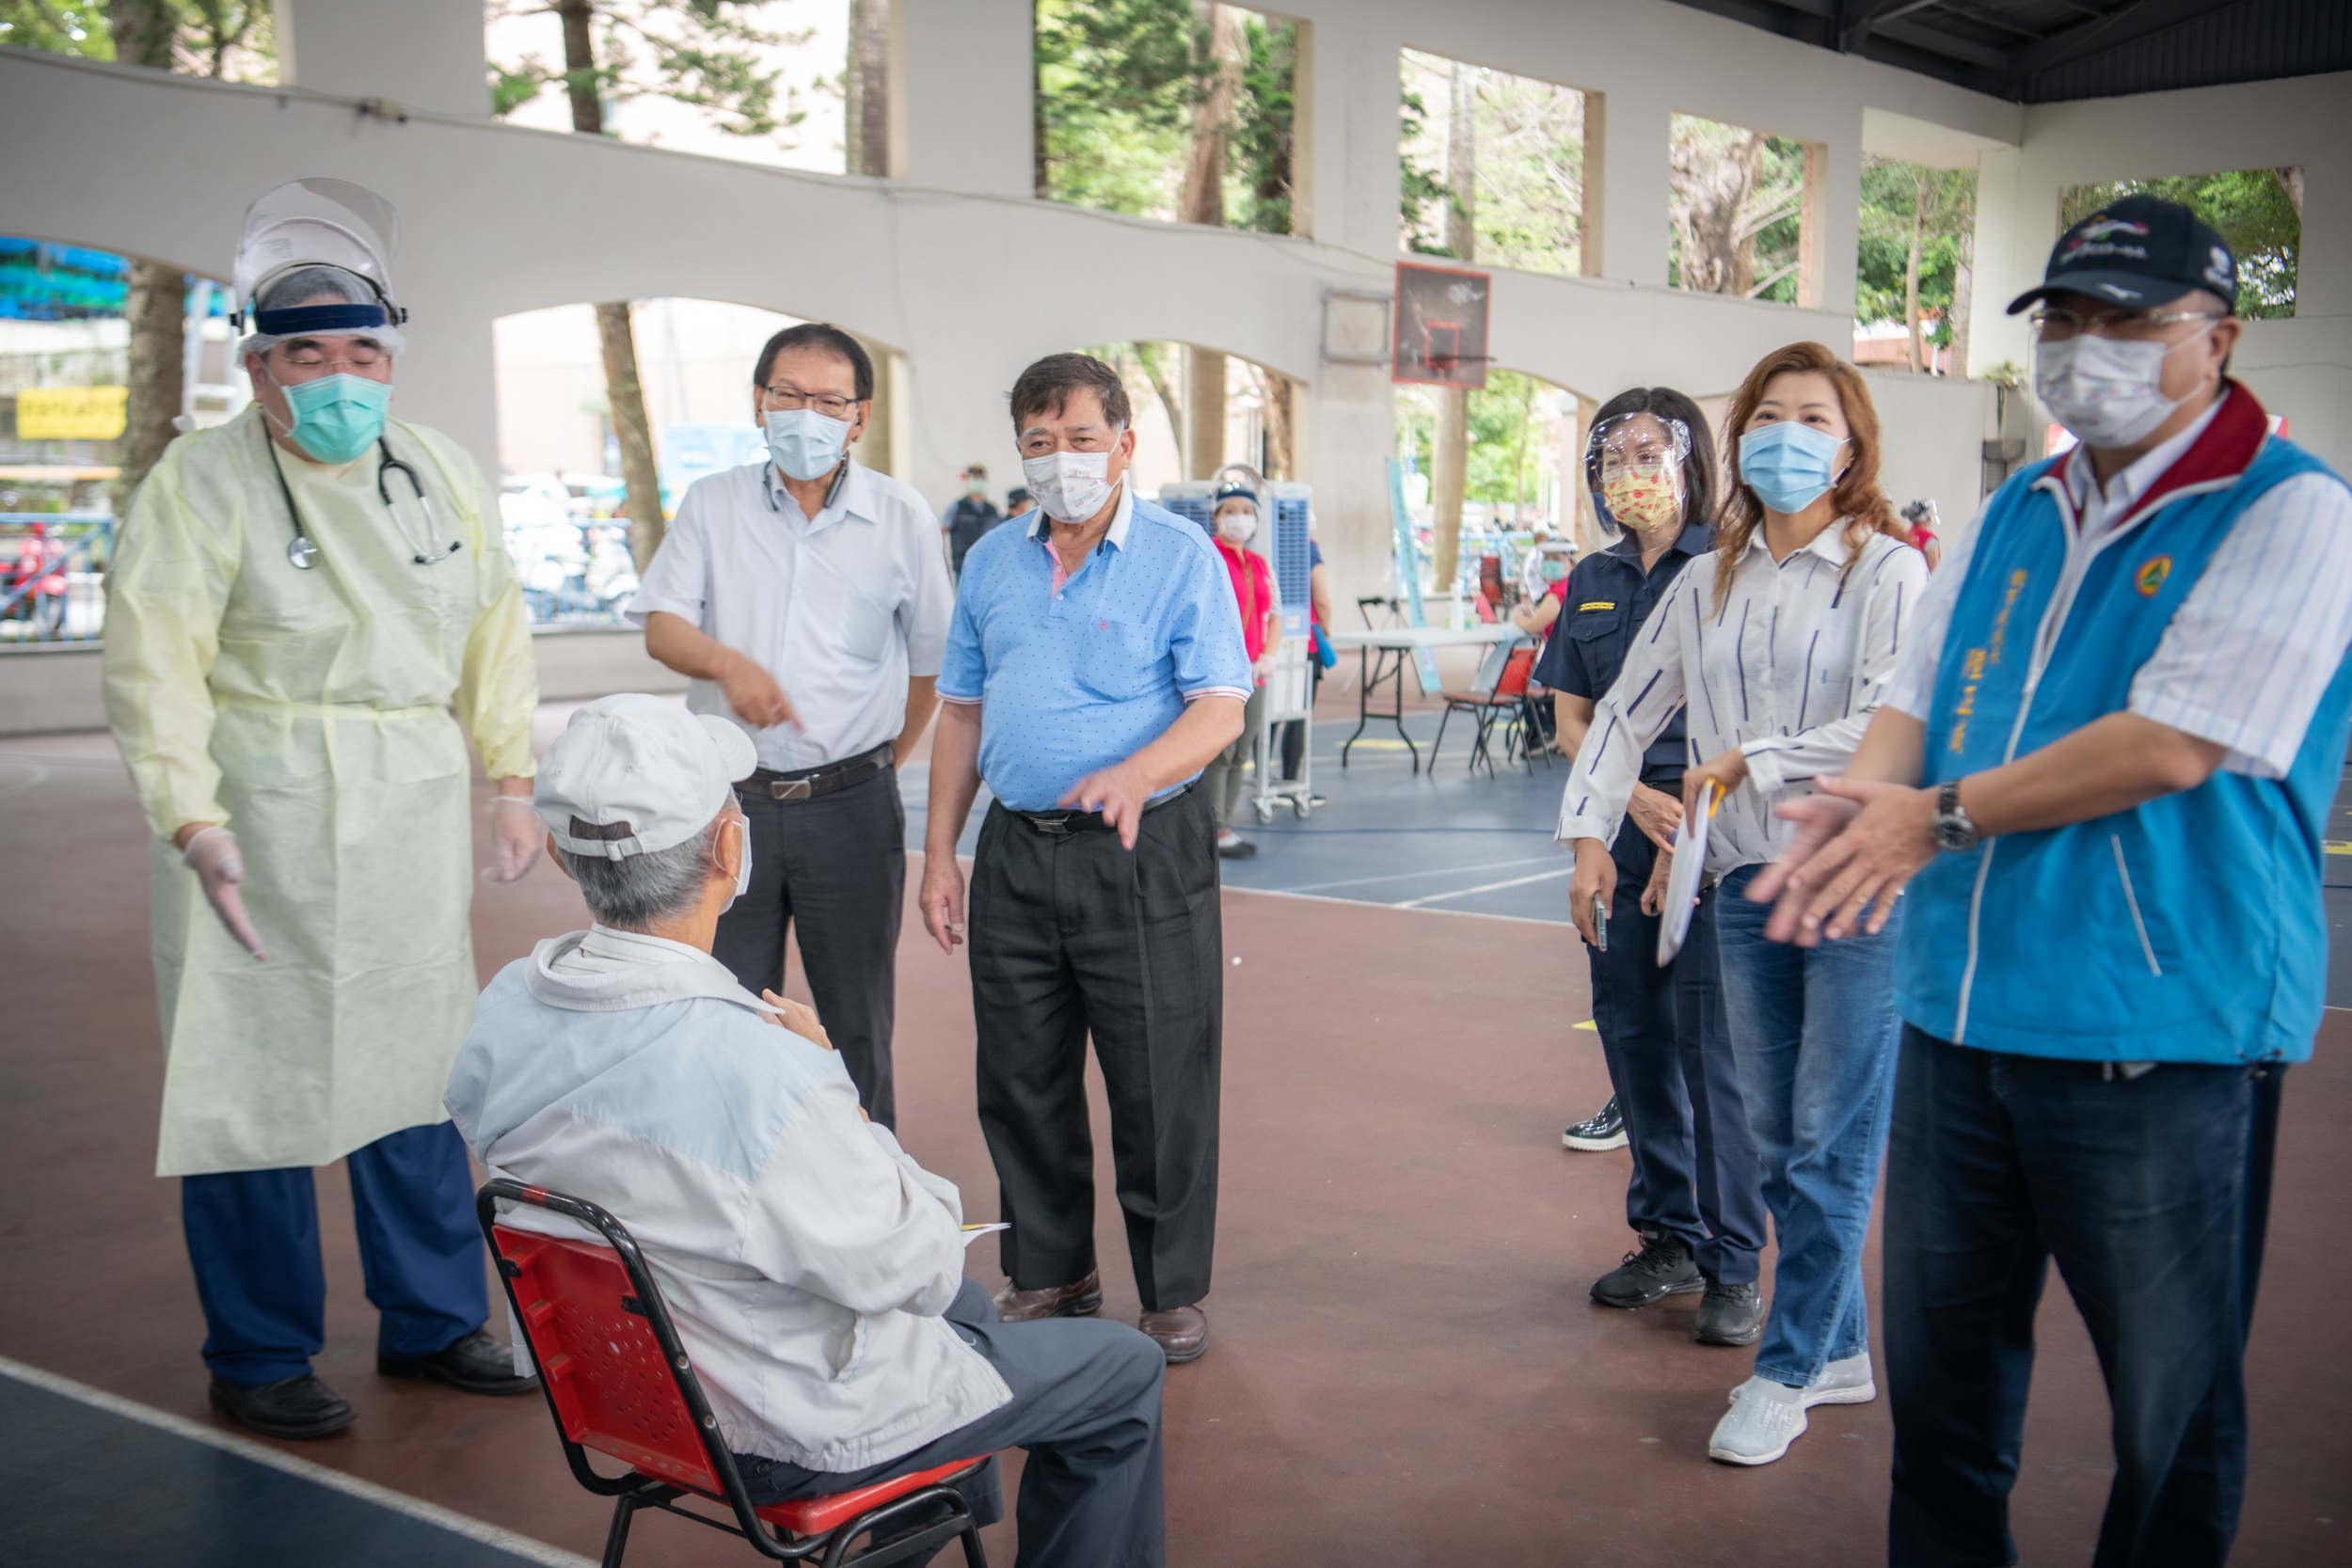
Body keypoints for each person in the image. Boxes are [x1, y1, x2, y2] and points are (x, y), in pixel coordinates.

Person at [1746, 198, 2352, 1566]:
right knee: (1947, 1394)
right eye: (2067, 322)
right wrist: (1867, 806)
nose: (2092, 350)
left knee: (2168, 1407)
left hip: (2155, 1027)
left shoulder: (2293, 511)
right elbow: (1917, 691)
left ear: (2219, 339)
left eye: (2130, 323)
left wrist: (1932, 819)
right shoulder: (2022, 503)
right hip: (1960, 1016)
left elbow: (2175, 739)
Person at [449, 695, 1167, 1568]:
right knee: (1121, 1370)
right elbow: (915, 1260)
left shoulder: (504, 1012)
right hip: (784, 1427)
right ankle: (900, 1523)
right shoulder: (761, 1069)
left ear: (563, 853)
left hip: (631, 1397)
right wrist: (840, 1093)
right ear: (726, 847)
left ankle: (911, 1529)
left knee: (969, 1321)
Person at [101, 179, 540, 1440]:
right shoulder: (200, 484)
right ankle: (258, 1346)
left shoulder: (436, 469)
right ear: (258, 366)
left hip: (404, 807)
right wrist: (191, 815)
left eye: (362, 350)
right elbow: (154, 657)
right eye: (307, 353)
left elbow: (494, 622)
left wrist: (509, 775)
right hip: (260, 813)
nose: (338, 375)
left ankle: (436, 1318)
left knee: (413, 1070)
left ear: (390, 358)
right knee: (255, 1082)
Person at [1560, 342, 1929, 1465]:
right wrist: (1589, 834)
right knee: (1774, 1141)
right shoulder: (1704, 577)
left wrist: (1739, 763)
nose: (1786, 434)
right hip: (1739, 886)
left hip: (1854, 885)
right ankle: (1844, 1346)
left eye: (1812, 414)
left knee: (1826, 1138)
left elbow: (1884, 728)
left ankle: (1786, 1366)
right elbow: (1622, 711)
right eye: (1769, 413)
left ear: (1850, 440)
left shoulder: (1888, 572)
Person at [919, 352, 1250, 1364]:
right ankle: (1052, 1266)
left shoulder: (1181, 555)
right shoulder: (991, 561)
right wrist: (939, 851)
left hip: (1142, 849)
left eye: (1079, 439)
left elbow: (1220, 704)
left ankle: (1171, 1287)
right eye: (1038, 442)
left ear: (1123, 445)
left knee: (1160, 1077)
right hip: (1018, 848)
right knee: (1020, 1076)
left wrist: (1136, 773)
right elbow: (962, 710)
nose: (1059, 460)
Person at [631, 323, 952, 1130]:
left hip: (851, 807)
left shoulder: (902, 517)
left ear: (859, 416)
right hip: (726, 808)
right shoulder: (714, 503)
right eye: (789, 395)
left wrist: (883, 759)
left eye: (828, 400)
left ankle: (865, 1194)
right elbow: (661, 626)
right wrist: (727, 665)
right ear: (759, 402)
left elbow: (933, 665)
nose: (806, 414)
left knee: (855, 1023)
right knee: (721, 1008)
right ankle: (735, 1197)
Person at [1536, 391, 1764, 1349]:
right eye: (1611, 453)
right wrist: (1626, 805)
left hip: (1716, 827)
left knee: (1712, 1052)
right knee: (1631, 1033)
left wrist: (1687, 830)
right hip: (1622, 824)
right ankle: (1666, 1234)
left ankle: (1732, 1260)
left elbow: (1752, 717)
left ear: (1689, 460)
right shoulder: (1590, 577)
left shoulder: (1731, 568)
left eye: (1647, 449)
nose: (1628, 468)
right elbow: (1573, 721)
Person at [1200, 483, 1279, 860]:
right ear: (1216, 516)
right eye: (1230, 510)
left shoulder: (1261, 564)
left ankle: (1225, 827)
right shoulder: (1206, 557)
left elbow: (1273, 614)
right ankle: (1210, 829)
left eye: (1246, 511)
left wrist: (1269, 655)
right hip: (1220, 676)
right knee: (1219, 752)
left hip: (1256, 674)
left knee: (1241, 752)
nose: (1240, 518)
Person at [1277, 520, 1336, 789]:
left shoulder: (1261, 546)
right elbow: (1321, 597)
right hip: (1303, 640)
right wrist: (1326, 627)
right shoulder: (1308, 547)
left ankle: (1261, 779)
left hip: (1268, 641)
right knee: (1298, 714)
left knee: (1268, 712)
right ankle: (1290, 781)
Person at [945, 462, 1004, 578]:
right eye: (975, 478)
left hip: (987, 564)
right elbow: (943, 528)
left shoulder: (991, 509)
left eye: (981, 478)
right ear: (968, 481)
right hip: (963, 564)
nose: (979, 481)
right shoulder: (958, 507)